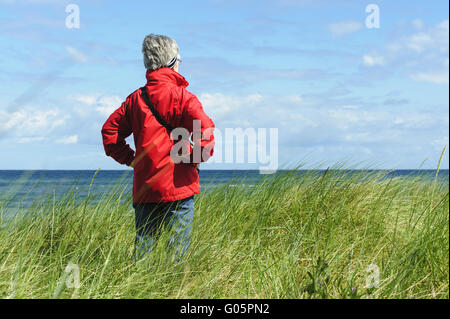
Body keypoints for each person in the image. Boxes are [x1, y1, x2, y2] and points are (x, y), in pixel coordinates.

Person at [101, 34, 215, 261]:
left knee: (143, 250)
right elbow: (206, 133)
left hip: (146, 186)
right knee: (177, 254)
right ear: (173, 61)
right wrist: (191, 159)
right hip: (179, 186)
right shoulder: (185, 97)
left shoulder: (135, 100)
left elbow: (109, 133)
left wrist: (132, 160)